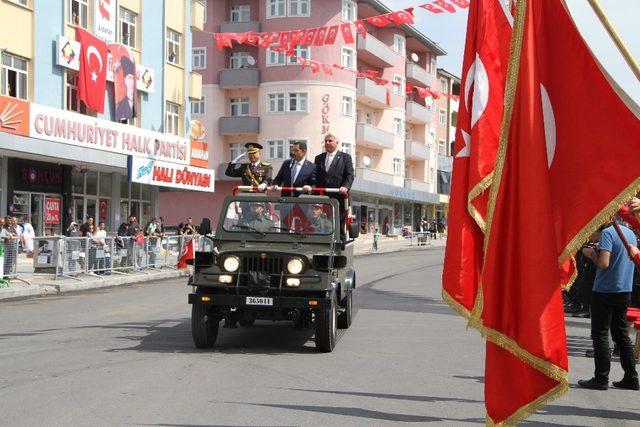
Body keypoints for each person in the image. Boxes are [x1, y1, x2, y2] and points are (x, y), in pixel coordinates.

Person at [578, 222, 639, 391]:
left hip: (605, 289)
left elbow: (604, 263)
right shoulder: (629, 232)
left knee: (601, 334)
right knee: (621, 335)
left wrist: (591, 254)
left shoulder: (608, 233)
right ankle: (631, 376)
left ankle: (601, 378)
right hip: (624, 288)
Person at [313, 133, 354, 240]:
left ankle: (339, 243)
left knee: (338, 222)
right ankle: (322, 240)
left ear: (337, 142)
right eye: (325, 141)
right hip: (323, 197)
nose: (327, 143)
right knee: (322, 221)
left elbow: (350, 175)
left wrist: (345, 187)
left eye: (330, 141)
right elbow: (315, 176)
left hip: (339, 196)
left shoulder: (345, 158)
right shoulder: (319, 158)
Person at [115, 56, 136, 122]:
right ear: (125, 80)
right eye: (129, 78)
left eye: (133, 78)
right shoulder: (120, 105)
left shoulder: (134, 104)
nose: (132, 82)